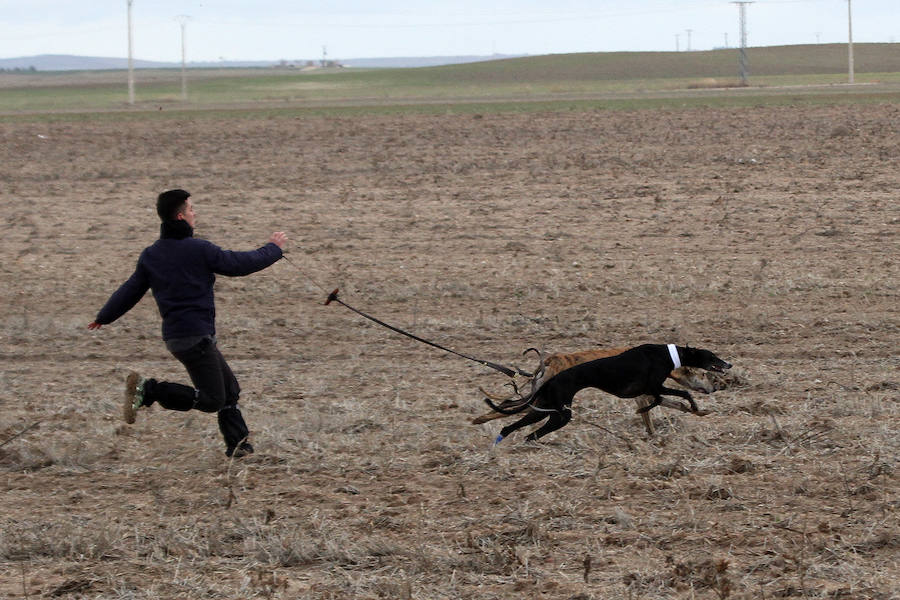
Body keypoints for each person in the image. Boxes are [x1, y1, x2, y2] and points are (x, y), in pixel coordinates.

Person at [88, 189, 287, 458]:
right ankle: (149, 389)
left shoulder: (152, 254)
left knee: (229, 390)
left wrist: (105, 316)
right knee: (212, 399)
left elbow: (130, 290)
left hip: (179, 337)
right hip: (195, 338)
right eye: (192, 209)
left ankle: (239, 447)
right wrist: (273, 249)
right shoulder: (199, 249)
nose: (195, 214)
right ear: (181, 215)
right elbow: (239, 264)